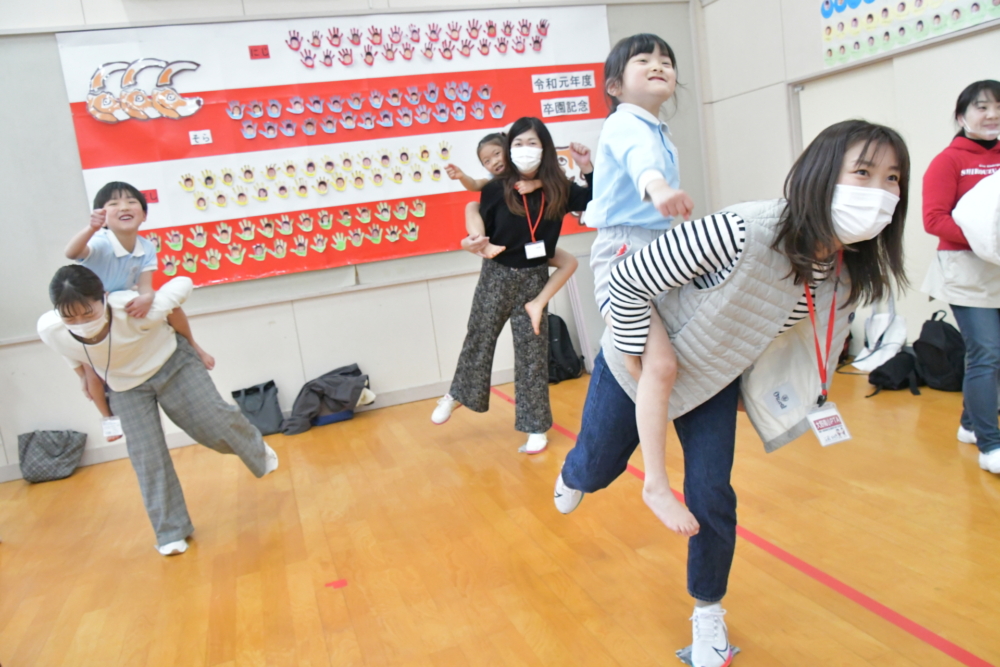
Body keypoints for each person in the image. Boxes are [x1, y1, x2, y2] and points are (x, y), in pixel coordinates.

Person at [555, 120, 908, 667]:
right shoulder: (743, 228)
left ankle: (708, 611)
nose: (879, 192)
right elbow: (626, 281)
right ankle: (576, 472)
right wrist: (639, 352)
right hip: (640, 363)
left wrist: (773, 395)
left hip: (714, 379)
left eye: (892, 179)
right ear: (820, 173)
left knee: (712, 494)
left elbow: (805, 343)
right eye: (862, 172)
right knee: (597, 467)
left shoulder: (843, 273)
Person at [38, 265, 278, 556]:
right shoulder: (51, 329)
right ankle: (171, 532)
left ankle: (255, 449)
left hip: (172, 362)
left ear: (104, 297)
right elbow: (73, 353)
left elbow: (182, 286)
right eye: (70, 317)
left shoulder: (130, 307)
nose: (80, 322)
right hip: (125, 386)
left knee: (213, 422)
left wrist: (159, 306)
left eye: (88, 314)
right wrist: (83, 378)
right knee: (147, 457)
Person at [586, 33, 698, 534]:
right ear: (615, 86)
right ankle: (654, 483)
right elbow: (640, 164)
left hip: (657, 249)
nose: (659, 65)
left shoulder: (659, 129)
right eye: (644, 60)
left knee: (656, 364)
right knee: (659, 363)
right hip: (625, 253)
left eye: (666, 61)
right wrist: (658, 188)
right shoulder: (624, 123)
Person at [431, 117, 593, 454]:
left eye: (532, 143)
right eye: (518, 143)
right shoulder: (496, 188)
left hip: (534, 277)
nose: (524, 150)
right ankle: (457, 394)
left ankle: (536, 428)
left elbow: (593, 197)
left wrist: (586, 167)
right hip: (497, 273)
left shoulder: (558, 189)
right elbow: (475, 211)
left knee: (532, 354)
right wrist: (474, 240)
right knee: (479, 336)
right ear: (509, 148)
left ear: (545, 148)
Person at [64, 182, 215, 438]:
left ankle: (195, 347)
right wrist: (91, 228)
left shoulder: (147, 247)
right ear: (102, 217)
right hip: (93, 313)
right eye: (114, 204)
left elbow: (146, 287)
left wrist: (146, 299)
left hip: (123, 302)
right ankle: (108, 419)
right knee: (91, 372)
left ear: (144, 214)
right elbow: (72, 252)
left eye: (131, 202)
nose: (124, 207)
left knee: (171, 305)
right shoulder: (100, 241)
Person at [921, 80, 1000, 474]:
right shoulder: (948, 161)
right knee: (986, 352)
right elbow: (933, 219)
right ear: (961, 116)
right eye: (982, 107)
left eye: (999, 107)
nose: (992, 114)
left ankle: (970, 424)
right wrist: (986, 240)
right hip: (966, 271)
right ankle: (991, 443)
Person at [446, 133, 577, 335]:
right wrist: (462, 176)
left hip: (532, 247)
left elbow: (556, 176)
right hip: (509, 248)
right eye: (486, 161)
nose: (494, 161)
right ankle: (482, 242)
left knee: (570, 262)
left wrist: (535, 184)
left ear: (510, 150)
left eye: (497, 154)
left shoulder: (531, 173)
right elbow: (474, 185)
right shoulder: (494, 183)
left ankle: (538, 302)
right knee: (471, 205)